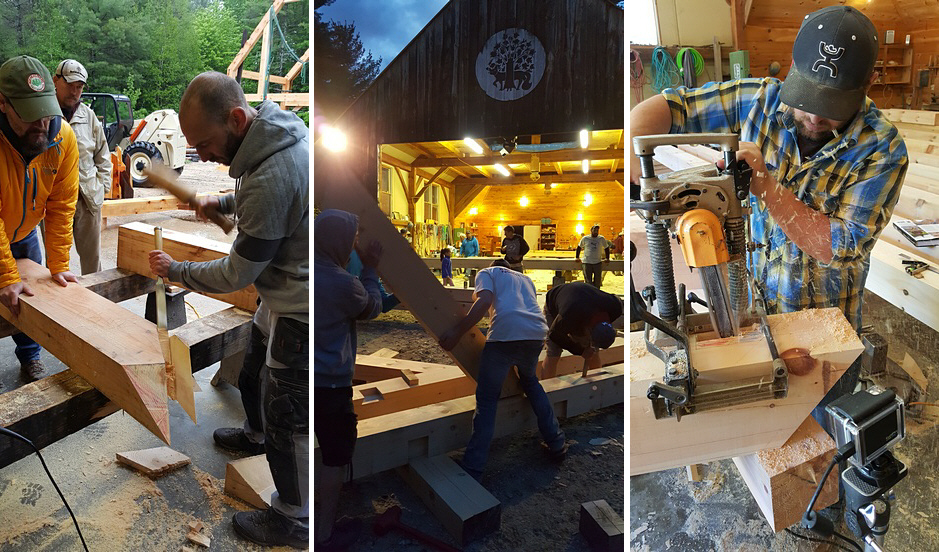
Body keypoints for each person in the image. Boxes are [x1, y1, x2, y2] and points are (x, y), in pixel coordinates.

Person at [629, 6, 908, 433]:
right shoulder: (759, 99)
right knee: (770, 432)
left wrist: (765, 185)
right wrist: (637, 168)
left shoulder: (883, 150)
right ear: (793, 68)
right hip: (752, 307)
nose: (815, 117)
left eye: (831, 106)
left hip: (825, 328)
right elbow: (662, 109)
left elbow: (840, 245)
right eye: (809, 99)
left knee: (829, 439)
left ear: (868, 83)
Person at [147, 72, 309, 548]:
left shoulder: (275, 173)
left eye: (206, 143)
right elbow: (256, 192)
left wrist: (176, 271)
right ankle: (255, 435)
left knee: (287, 412)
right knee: (254, 370)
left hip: (298, 306)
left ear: (237, 119)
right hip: (279, 293)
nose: (203, 155)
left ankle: (296, 517)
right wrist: (221, 201)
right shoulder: (272, 141)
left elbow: (236, 274)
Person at [439, 259, 568, 481]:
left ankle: (473, 466)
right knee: (530, 382)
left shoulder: (487, 272)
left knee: (488, 399)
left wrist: (457, 332)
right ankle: (556, 442)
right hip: (536, 333)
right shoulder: (525, 279)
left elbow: (484, 301)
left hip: (505, 336)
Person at [0, 55, 79, 381]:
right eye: (31, 116)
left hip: (26, 233)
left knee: (32, 301)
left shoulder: (63, 139)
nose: (42, 125)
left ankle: (30, 357)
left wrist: (59, 264)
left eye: (45, 113)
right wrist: (5, 275)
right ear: (3, 103)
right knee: (8, 292)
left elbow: (62, 207)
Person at [314, 210, 383, 551]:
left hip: (293, 377)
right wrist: (370, 268)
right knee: (335, 456)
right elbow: (373, 308)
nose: (354, 248)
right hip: (329, 386)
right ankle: (324, 533)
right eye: (352, 242)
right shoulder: (344, 284)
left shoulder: (299, 271)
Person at [53, 59, 111, 275]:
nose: (75, 91)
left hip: (87, 199)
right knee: (56, 263)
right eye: (70, 85)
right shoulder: (44, 114)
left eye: (79, 87)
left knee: (92, 263)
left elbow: (103, 155)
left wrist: (103, 188)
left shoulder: (88, 116)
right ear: (55, 81)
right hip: (54, 201)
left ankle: (94, 304)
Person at [541, 282, 623, 379]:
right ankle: (547, 390)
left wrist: (590, 347)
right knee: (554, 350)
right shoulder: (569, 314)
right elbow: (554, 334)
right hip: (555, 303)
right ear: (589, 328)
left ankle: (597, 383)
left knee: (593, 351)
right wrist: (580, 351)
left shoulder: (615, 307)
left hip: (581, 301)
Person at [576, 224, 611, 289]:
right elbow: (579, 247)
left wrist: (607, 258)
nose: (596, 232)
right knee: (588, 281)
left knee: (597, 281)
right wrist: (577, 257)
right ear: (591, 230)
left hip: (597, 262)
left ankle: (596, 294)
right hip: (587, 262)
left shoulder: (601, 238)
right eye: (594, 230)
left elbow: (606, 248)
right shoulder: (585, 238)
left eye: (597, 230)